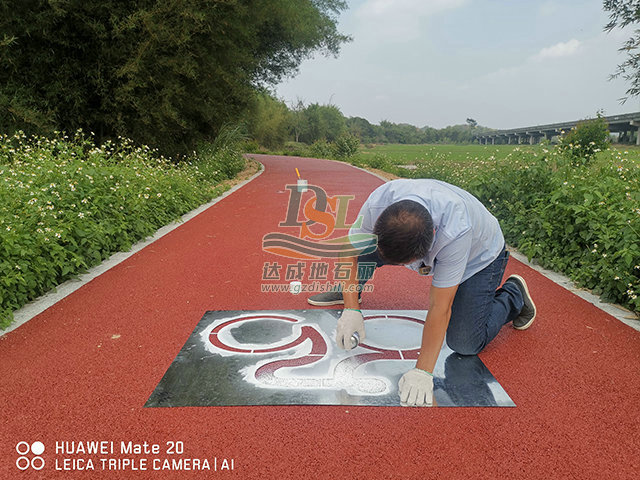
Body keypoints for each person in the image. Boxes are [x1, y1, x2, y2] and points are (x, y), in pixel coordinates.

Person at [307, 179, 536, 407]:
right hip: (406, 238)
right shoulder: (379, 203)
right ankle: (349, 290)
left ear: (426, 253)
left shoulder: (455, 233)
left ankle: (513, 295)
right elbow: (348, 248)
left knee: (465, 343)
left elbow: (440, 307)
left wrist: (423, 371)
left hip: (479, 257)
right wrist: (351, 309)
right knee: (361, 253)